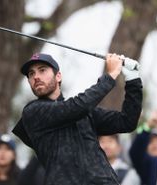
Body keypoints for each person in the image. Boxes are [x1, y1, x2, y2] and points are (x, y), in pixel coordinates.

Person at [12, 53, 143, 184]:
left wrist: (133, 80)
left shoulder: (83, 113)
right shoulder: (33, 111)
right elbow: (76, 108)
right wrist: (110, 76)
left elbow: (127, 122)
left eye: (42, 70)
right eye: (31, 74)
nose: (36, 77)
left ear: (58, 76)